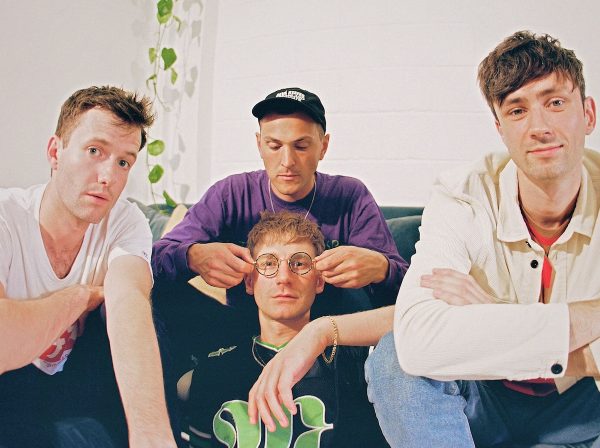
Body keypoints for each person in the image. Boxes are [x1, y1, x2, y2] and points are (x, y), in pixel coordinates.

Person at [363, 31, 600, 447]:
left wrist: (493, 313)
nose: (539, 127)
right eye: (517, 110)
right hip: (483, 397)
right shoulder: (464, 195)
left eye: (555, 103)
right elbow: (417, 340)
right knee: (394, 360)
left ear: (588, 114)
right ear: (500, 129)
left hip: (583, 405)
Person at [151, 87, 406, 371]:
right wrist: (192, 256)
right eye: (274, 146)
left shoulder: (350, 197)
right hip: (241, 334)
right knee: (147, 295)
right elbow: (153, 258)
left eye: (301, 146)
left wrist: (382, 268)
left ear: (323, 147)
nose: (287, 162)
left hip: (331, 347)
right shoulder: (230, 194)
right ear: (259, 144)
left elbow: (409, 297)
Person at [0, 86, 177, 447]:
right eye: (95, 151)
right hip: (10, 385)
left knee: (147, 316)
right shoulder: (7, 218)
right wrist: (80, 297)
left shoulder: (126, 221)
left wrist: (152, 435)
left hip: (76, 384)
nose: (108, 176)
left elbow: (129, 302)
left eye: (124, 162)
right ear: (56, 152)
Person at [181, 211, 388, 447]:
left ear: (319, 281)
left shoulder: (357, 361)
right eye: (268, 263)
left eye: (299, 263)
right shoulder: (213, 371)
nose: (284, 278)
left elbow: (412, 322)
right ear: (250, 281)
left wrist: (322, 331)